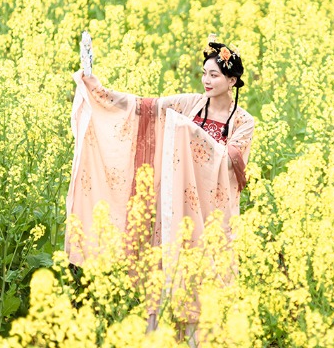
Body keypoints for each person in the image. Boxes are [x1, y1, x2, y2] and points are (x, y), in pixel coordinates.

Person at [64, 33, 254, 336]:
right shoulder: (191, 104)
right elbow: (143, 108)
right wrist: (96, 89)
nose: (206, 80)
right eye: (204, 73)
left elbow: (230, 161)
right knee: (165, 266)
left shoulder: (243, 121)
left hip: (212, 213)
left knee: (204, 274)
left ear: (232, 81)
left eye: (214, 75)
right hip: (176, 206)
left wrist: (188, 133)